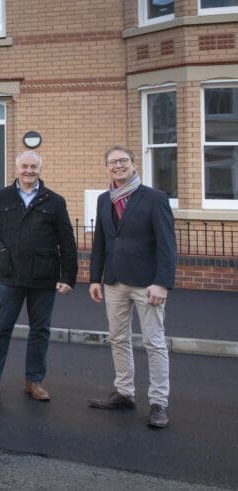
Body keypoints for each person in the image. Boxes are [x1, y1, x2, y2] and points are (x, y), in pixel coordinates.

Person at [0, 151, 78, 401]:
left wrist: (68, 277)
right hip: (10, 276)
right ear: (17, 168)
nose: (29, 171)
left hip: (44, 277)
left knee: (40, 330)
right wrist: (2, 251)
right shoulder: (1, 198)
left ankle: (34, 380)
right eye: (24, 166)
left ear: (40, 169)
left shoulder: (54, 201)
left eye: (34, 167)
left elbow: (67, 241)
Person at [88, 145, 176, 430]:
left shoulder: (154, 198)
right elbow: (100, 242)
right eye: (112, 162)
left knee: (154, 342)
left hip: (147, 284)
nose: (118, 166)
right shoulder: (104, 200)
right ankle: (124, 392)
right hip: (114, 282)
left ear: (134, 164)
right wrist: (94, 279)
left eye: (123, 161)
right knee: (118, 339)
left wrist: (162, 282)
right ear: (106, 167)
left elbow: (167, 245)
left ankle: (158, 402)